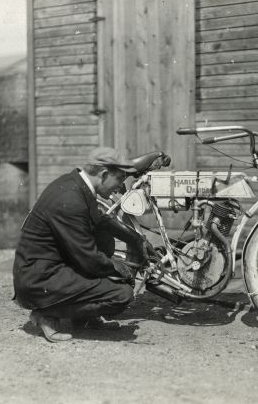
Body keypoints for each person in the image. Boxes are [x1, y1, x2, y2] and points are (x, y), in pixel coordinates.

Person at [12, 147, 154, 342]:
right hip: (39, 279)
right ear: (104, 174)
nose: (121, 186)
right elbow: (88, 259)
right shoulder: (71, 199)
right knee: (122, 294)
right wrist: (121, 269)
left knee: (103, 237)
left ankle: (83, 317)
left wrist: (138, 240)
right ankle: (46, 313)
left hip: (49, 268)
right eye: (120, 179)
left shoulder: (76, 185)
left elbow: (102, 221)